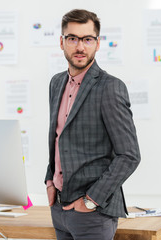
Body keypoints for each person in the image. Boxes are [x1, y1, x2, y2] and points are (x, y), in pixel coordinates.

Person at [45, 9, 141, 240]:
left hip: (93, 214)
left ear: (97, 43)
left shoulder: (110, 87)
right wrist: (50, 180)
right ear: (62, 42)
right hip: (59, 208)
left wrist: (90, 200)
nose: (80, 47)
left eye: (87, 39)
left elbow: (129, 155)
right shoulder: (56, 83)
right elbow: (58, 138)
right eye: (72, 38)